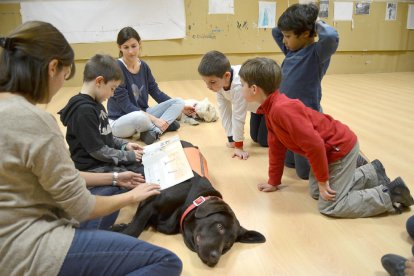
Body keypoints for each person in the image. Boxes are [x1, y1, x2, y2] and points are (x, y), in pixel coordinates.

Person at [0, 21, 182, 275]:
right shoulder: (33, 119)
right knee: (168, 262)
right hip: (27, 249)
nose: (61, 86)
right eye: (64, 77)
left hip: (14, 240)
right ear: (53, 68)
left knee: (114, 191)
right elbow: (81, 206)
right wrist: (131, 195)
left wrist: (118, 177)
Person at [238, 57, 414, 218]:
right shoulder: (270, 110)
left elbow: (314, 145)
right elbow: (276, 148)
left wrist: (323, 181)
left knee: (330, 206)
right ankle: (372, 173)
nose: (239, 87)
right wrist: (273, 181)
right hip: (328, 150)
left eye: (241, 84)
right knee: (316, 192)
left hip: (339, 148)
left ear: (254, 89)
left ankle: (390, 194)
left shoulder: (281, 110)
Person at [251, 3, 339, 178]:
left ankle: (344, 158)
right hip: (286, 116)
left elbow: (330, 36)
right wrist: (294, 23)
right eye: (285, 36)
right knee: (289, 163)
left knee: (305, 174)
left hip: (304, 117)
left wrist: (314, 22)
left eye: (288, 36)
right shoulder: (291, 50)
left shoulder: (317, 54)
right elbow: (276, 31)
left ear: (306, 34)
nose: (283, 40)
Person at [107, 26, 194, 145]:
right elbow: (127, 107)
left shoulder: (144, 66)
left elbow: (156, 92)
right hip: (120, 120)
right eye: (126, 47)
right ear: (119, 47)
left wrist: (182, 109)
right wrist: (155, 119)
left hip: (143, 112)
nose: (131, 51)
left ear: (139, 44)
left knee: (179, 102)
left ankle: (155, 131)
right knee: (140, 118)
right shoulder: (116, 69)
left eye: (134, 46)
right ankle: (163, 125)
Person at [59, 54, 144, 174]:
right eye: (112, 88)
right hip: (94, 169)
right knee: (142, 175)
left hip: (104, 161)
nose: (113, 94)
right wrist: (127, 156)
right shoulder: (83, 111)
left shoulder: (96, 103)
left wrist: (125, 145)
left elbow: (105, 136)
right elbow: (98, 150)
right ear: (99, 81)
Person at [198, 50, 259, 160]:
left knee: (264, 142)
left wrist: (238, 146)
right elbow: (225, 111)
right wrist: (231, 139)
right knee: (256, 138)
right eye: (205, 82)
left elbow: (238, 116)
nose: (208, 87)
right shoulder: (220, 85)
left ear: (227, 76)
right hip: (254, 108)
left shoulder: (238, 85)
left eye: (212, 82)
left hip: (266, 108)